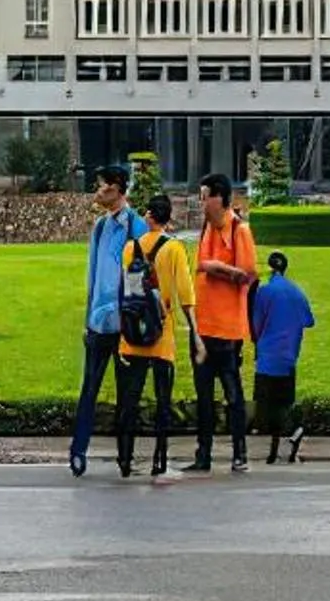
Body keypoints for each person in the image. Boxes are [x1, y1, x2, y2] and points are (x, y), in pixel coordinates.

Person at [69, 165, 146, 478]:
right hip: (99, 323)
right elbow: (92, 276)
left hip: (125, 325)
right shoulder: (100, 227)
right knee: (89, 389)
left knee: (127, 395)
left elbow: (143, 277)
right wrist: (88, 318)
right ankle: (78, 451)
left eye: (102, 186)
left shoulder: (135, 226)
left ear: (117, 189)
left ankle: (125, 456)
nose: (97, 192)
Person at [114, 191, 196, 480]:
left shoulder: (129, 248)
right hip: (162, 335)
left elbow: (127, 290)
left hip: (134, 334)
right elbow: (185, 292)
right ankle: (159, 459)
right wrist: (194, 331)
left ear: (149, 216)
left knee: (130, 401)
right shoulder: (174, 249)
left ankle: (125, 458)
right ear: (168, 218)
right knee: (163, 401)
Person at [187, 173, 256, 474]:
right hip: (202, 327)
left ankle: (239, 452)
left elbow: (249, 273)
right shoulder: (206, 229)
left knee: (232, 394)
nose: (202, 202)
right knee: (203, 395)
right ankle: (204, 454)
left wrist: (218, 268)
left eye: (205, 196)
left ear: (219, 198)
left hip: (227, 328)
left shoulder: (239, 230)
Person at [249, 249, 315, 464]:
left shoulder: (265, 292)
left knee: (267, 405)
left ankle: (277, 444)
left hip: (268, 356)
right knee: (284, 402)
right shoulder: (296, 292)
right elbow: (309, 320)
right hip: (288, 356)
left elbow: (256, 324)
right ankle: (283, 442)